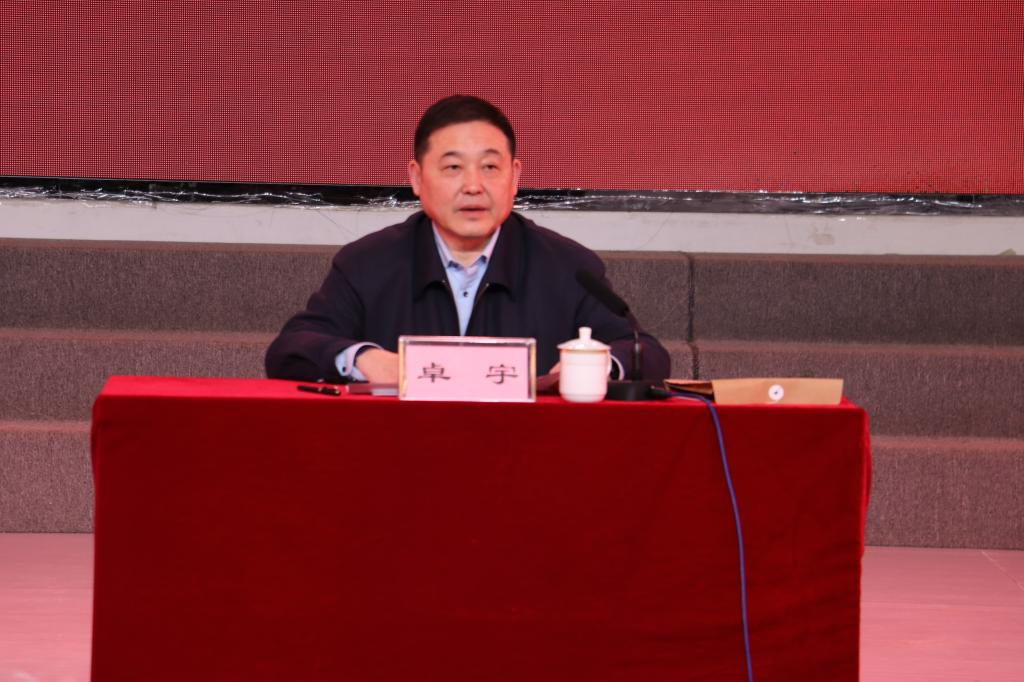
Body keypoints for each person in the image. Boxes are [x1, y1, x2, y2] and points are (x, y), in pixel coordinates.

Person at [265, 95, 669, 384]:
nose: (473, 186)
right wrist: (364, 359)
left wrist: (600, 364)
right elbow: (291, 349)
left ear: (514, 177)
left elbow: (644, 353)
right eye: (453, 168)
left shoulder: (568, 267)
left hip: (529, 456)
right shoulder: (368, 263)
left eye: (490, 167)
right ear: (417, 178)